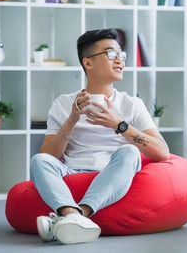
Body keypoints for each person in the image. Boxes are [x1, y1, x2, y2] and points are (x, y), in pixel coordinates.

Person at [30, 28, 170, 245]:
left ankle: (75, 216)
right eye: (111, 54)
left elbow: (162, 152)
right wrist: (73, 118)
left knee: (130, 152)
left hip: (112, 172)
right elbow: (48, 155)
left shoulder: (132, 104)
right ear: (88, 63)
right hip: (71, 171)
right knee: (38, 161)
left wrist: (119, 125)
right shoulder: (63, 104)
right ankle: (72, 217)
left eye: (121, 55)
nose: (119, 60)